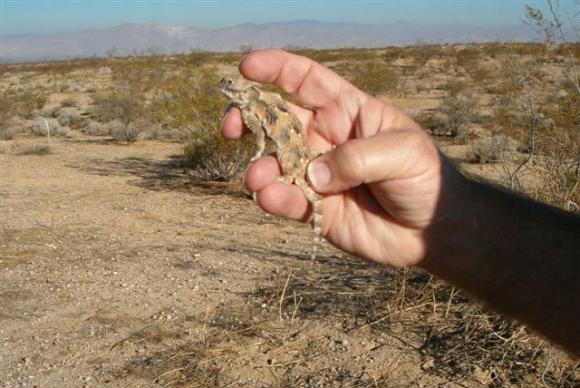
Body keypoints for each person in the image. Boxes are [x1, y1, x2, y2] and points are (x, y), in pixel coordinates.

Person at [221, 50, 580, 358]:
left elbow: (260, 141)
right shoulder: (259, 107)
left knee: (282, 178)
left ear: (246, 93)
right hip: (309, 162)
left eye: (232, 88)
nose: (228, 91)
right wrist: (445, 221)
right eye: (231, 88)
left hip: (300, 162)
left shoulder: (260, 108)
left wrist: (445, 221)